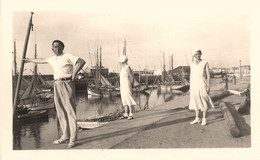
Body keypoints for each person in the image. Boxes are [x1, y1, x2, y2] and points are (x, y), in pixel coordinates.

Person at [25, 40, 86, 148]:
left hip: (67, 83)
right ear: (52, 49)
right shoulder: (52, 59)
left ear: (62, 47)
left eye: (58, 46)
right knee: (60, 110)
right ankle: (65, 136)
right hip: (57, 83)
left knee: (70, 110)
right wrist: (28, 60)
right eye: (54, 47)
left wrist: (74, 73)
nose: (56, 48)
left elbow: (81, 61)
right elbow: (41, 60)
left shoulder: (67, 55)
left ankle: (73, 138)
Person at [189, 49, 214, 126]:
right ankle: (197, 118)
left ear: (201, 54)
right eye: (196, 54)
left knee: (203, 100)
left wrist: (208, 86)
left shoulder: (205, 62)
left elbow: (208, 75)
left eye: (199, 54)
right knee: (195, 100)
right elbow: (191, 75)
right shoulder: (192, 64)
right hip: (194, 84)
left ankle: (204, 119)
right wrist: (190, 86)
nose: (198, 55)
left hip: (202, 83)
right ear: (194, 55)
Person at [118, 55, 137, 120]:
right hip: (122, 85)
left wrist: (131, 85)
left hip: (127, 84)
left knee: (128, 97)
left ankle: (131, 113)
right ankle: (126, 113)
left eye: (122, 62)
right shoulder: (122, 68)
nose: (122, 63)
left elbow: (131, 76)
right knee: (124, 98)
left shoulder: (127, 67)